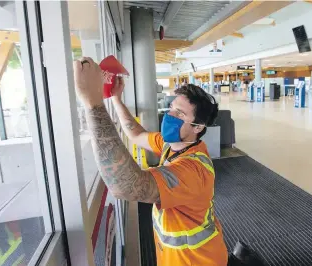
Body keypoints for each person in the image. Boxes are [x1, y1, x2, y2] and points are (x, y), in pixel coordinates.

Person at [73, 57, 228, 265]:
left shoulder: (193, 171)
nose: (170, 115)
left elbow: (125, 186)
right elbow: (136, 133)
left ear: (197, 127)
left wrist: (93, 104)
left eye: (179, 113)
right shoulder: (170, 144)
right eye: (171, 107)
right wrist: (115, 99)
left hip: (198, 260)